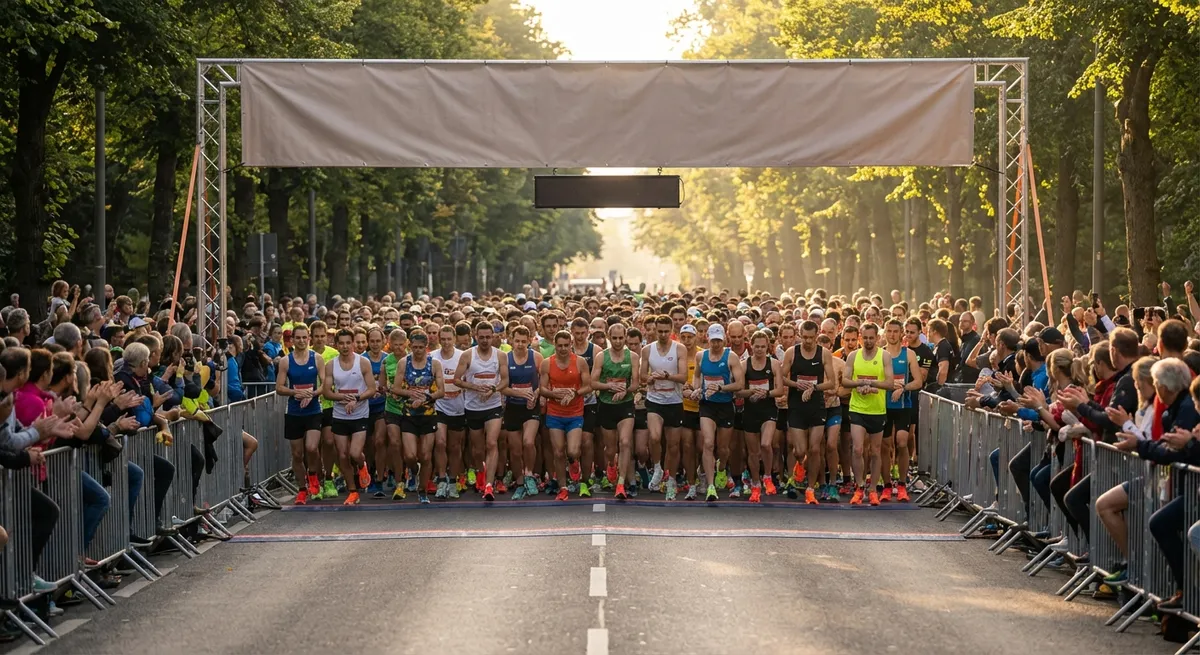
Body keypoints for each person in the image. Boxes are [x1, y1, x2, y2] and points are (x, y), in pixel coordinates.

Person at [781, 320, 836, 504]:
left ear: (816, 336)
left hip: (816, 406)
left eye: (811, 338)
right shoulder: (792, 353)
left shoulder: (823, 354)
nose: (808, 341)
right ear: (800, 334)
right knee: (800, 450)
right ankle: (798, 468)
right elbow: (780, 377)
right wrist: (796, 384)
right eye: (804, 337)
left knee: (814, 449)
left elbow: (831, 382)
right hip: (796, 406)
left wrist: (813, 388)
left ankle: (811, 489)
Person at [321, 328, 378, 505]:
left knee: (355, 453)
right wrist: (341, 398)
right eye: (342, 343)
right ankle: (353, 491)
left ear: (353, 343)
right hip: (339, 415)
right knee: (343, 455)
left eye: (348, 343)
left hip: (360, 414)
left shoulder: (363, 363)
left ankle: (362, 466)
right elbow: (326, 392)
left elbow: (372, 389)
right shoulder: (331, 365)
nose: (345, 346)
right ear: (336, 345)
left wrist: (357, 399)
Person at [689, 323, 745, 502]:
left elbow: (739, 384)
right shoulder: (701, 356)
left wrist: (721, 387)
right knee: (708, 443)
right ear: (708, 339)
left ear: (724, 340)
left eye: (719, 341)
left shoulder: (731, 357)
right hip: (707, 405)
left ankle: (721, 469)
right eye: (713, 341)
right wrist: (697, 389)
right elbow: (697, 376)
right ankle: (710, 485)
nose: (716, 344)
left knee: (723, 448)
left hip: (726, 405)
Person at [844, 323, 897, 506]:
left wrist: (871, 385)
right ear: (860, 337)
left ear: (877, 338)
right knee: (858, 448)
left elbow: (890, 383)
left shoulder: (885, 356)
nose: (868, 341)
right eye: (865, 338)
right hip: (858, 408)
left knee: (875, 451)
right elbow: (844, 380)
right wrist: (859, 384)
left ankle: (873, 489)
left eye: (871, 338)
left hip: (877, 409)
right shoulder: (853, 356)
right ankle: (859, 487)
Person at [454, 321, 507, 501]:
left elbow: (505, 381)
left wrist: (493, 389)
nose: (485, 340)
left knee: (492, 443)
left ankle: (489, 485)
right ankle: (481, 472)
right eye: (481, 337)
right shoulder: (468, 355)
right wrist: (475, 387)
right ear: (476, 337)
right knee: (477, 449)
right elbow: (456, 380)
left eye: (488, 337)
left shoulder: (500, 355)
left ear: (494, 337)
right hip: (473, 407)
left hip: (493, 406)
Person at [392, 330, 445, 504]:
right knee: (410, 456)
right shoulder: (404, 363)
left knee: (426, 455)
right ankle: (412, 471)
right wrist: (411, 394)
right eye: (414, 347)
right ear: (410, 346)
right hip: (409, 414)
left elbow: (441, 391)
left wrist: (426, 398)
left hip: (428, 414)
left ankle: (422, 491)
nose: (417, 350)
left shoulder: (434, 363)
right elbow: (396, 388)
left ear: (426, 347)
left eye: (421, 347)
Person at [540, 330, 592, 501]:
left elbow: (588, 386)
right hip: (554, 413)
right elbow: (543, 389)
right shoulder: (547, 363)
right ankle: (563, 487)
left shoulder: (580, 362)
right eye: (559, 345)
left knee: (573, 450)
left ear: (571, 344)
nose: (563, 349)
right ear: (554, 345)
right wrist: (555, 394)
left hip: (575, 413)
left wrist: (574, 393)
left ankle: (574, 462)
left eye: (566, 345)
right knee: (558, 452)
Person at [641, 314, 688, 500]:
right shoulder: (647, 350)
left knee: (674, 446)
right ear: (654, 329)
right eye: (659, 331)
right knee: (654, 437)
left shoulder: (679, 349)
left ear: (672, 331)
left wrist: (667, 376)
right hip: (655, 400)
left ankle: (671, 480)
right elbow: (642, 376)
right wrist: (650, 378)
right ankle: (658, 467)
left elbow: (683, 377)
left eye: (666, 331)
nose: (662, 334)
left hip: (674, 401)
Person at [736, 329, 784, 503]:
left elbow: (779, 390)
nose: (760, 350)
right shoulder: (744, 364)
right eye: (757, 347)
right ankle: (756, 484)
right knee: (753, 451)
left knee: (766, 444)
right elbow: (739, 391)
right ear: (751, 346)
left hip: (768, 409)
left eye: (763, 347)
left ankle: (768, 476)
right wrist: (751, 392)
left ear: (768, 347)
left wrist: (765, 393)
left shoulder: (774, 364)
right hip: (750, 411)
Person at [881, 319, 924, 502]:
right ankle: (886, 485)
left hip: (903, 405)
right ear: (885, 333)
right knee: (884, 445)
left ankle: (902, 483)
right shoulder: (879, 354)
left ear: (901, 334)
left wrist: (903, 388)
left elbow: (918, 381)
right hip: (882, 406)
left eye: (895, 331)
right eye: (889, 331)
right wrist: (887, 386)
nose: (892, 334)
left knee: (901, 441)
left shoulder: (909, 355)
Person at [595, 322, 639, 500]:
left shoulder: (633, 357)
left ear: (626, 337)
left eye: (621, 338)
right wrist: (608, 386)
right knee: (610, 448)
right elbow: (592, 382)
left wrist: (625, 391)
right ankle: (611, 465)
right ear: (609, 337)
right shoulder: (601, 356)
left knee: (626, 442)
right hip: (606, 405)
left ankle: (621, 483)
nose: (618, 341)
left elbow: (636, 383)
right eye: (614, 338)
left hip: (625, 405)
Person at [500, 325, 541, 500]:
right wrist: (520, 393)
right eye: (517, 341)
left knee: (528, 442)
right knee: (515, 450)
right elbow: (503, 387)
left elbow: (543, 383)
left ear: (530, 341)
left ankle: (530, 473)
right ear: (511, 340)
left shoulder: (536, 357)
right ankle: (519, 479)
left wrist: (536, 394)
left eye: (524, 341)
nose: (520, 344)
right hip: (513, 407)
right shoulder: (505, 359)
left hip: (531, 407)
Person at [431, 324, 465, 499]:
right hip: (439, 406)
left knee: (454, 446)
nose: (445, 342)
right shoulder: (432, 357)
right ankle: (442, 479)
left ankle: (453, 481)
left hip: (458, 407)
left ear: (454, 339)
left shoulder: (462, 357)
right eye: (442, 339)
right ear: (438, 339)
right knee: (441, 442)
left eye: (448, 339)